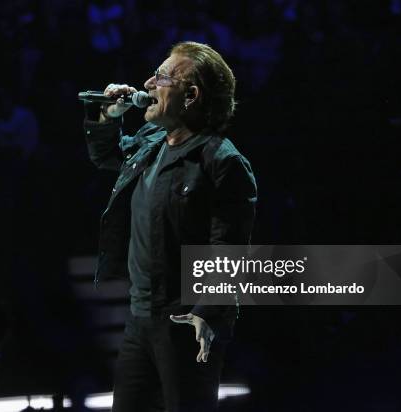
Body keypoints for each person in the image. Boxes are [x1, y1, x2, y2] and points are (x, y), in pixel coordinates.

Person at [83, 41, 257, 411]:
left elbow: (227, 251)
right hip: (140, 316)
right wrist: (109, 116)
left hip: (185, 322)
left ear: (191, 95)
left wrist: (207, 313)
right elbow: (107, 156)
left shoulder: (222, 162)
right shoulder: (152, 141)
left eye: (161, 77)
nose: (147, 83)